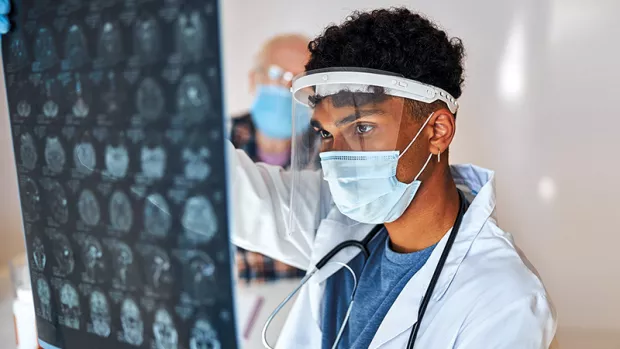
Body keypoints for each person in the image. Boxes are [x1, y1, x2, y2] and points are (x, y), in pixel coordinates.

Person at [229, 8, 557, 349]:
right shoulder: (338, 220)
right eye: (326, 133)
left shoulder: (503, 299)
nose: (337, 155)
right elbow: (225, 190)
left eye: (363, 127)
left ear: (437, 131)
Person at [231, 34, 310, 284]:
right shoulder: (214, 146)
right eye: (277, 75)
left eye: (299, 81)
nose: (288, 89)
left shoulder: (335, 152)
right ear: (254, 80)